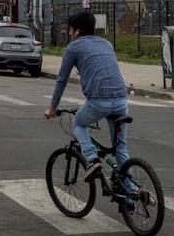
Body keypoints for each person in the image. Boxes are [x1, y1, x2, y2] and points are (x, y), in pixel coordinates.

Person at [44, 11, 130, 182]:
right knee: (120, 148)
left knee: (78, 124)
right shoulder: (106, 43)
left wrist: (52, 108)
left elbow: (61, 80)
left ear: (77, 31)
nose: (69, 33)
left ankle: (92, 160)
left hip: (99, 102)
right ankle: (131, 195)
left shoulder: (73, 48)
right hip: (121, 100)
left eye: (70, 30)